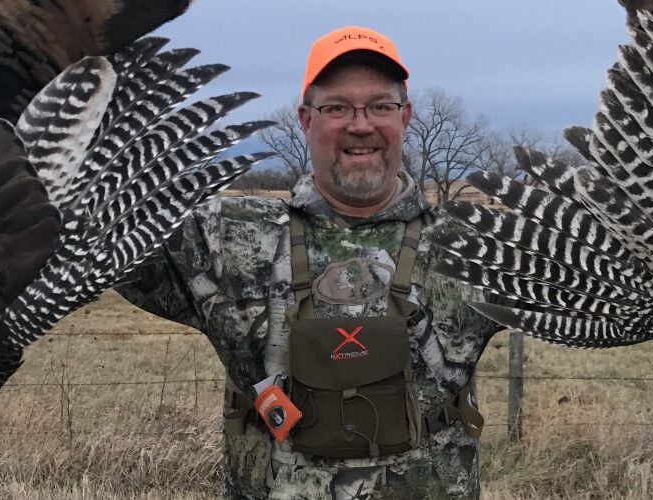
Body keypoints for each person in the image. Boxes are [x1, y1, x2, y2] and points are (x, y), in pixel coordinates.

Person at [117, 26, 501, 499]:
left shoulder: (472, 247)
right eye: (337, 107)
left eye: (380, 105)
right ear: (304, 119)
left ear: (406, 116)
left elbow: (597, 287)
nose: (360, 125)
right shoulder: (224, 237)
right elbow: (99, 237)